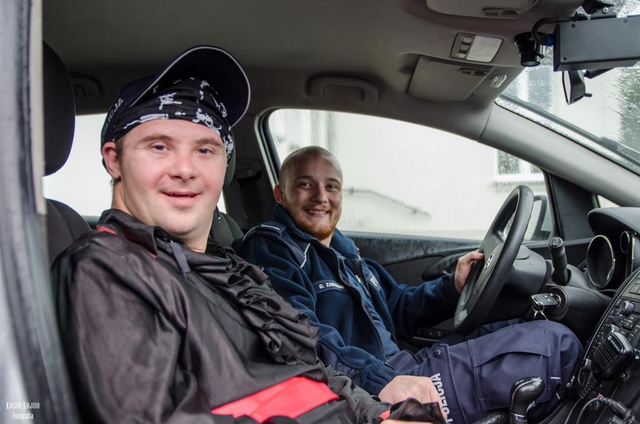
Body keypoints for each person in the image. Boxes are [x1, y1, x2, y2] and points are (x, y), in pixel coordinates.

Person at [52, 46, 445, 424]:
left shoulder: (226, 266)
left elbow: (311, 368)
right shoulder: (105, 271)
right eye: (159, 147)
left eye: (205, 150)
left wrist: (378, 414)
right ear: (114, 160)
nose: (185, 169)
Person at [234, 146, 584, 424]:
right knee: (555, 345)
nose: (321, 196)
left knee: (525, 324)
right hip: (369, 388)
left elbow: (399, 307)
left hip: (400, 364)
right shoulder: (272, 248)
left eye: (332, 186)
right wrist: (380, 379)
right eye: (305, 184)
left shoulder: (346, 253)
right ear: (280, 194)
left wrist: (452, 287)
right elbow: (301, 336)